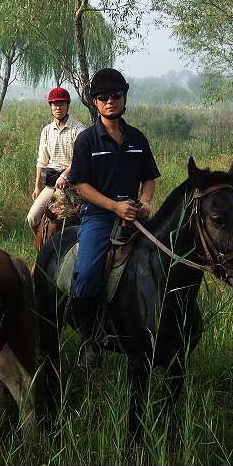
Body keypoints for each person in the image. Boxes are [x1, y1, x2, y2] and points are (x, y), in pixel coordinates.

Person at [67, 68, 160, 368]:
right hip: (99, 215)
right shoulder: (86, 141)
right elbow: (81, 185)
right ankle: (90, 339)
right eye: (103, 97)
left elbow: (148, 179)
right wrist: (113, 207)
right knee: (87, 274)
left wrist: (144, 202)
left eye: (116, 95)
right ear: (95, 102)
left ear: (124, 97)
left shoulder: (137, 138)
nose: (110, 101)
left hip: (134, 214)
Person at [26, 87, 86, 233]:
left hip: (72, 183)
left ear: (68, 105)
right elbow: (42, 161)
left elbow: (80, 160)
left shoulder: (78, 130)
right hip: (52, 183)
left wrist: (64, 175)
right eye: (54, 104)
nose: (58, 107)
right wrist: (37, 187)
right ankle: (43, 248)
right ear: (51, 107)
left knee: (69, 221)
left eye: (61, 104)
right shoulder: (46, 131)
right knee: (32, 218)